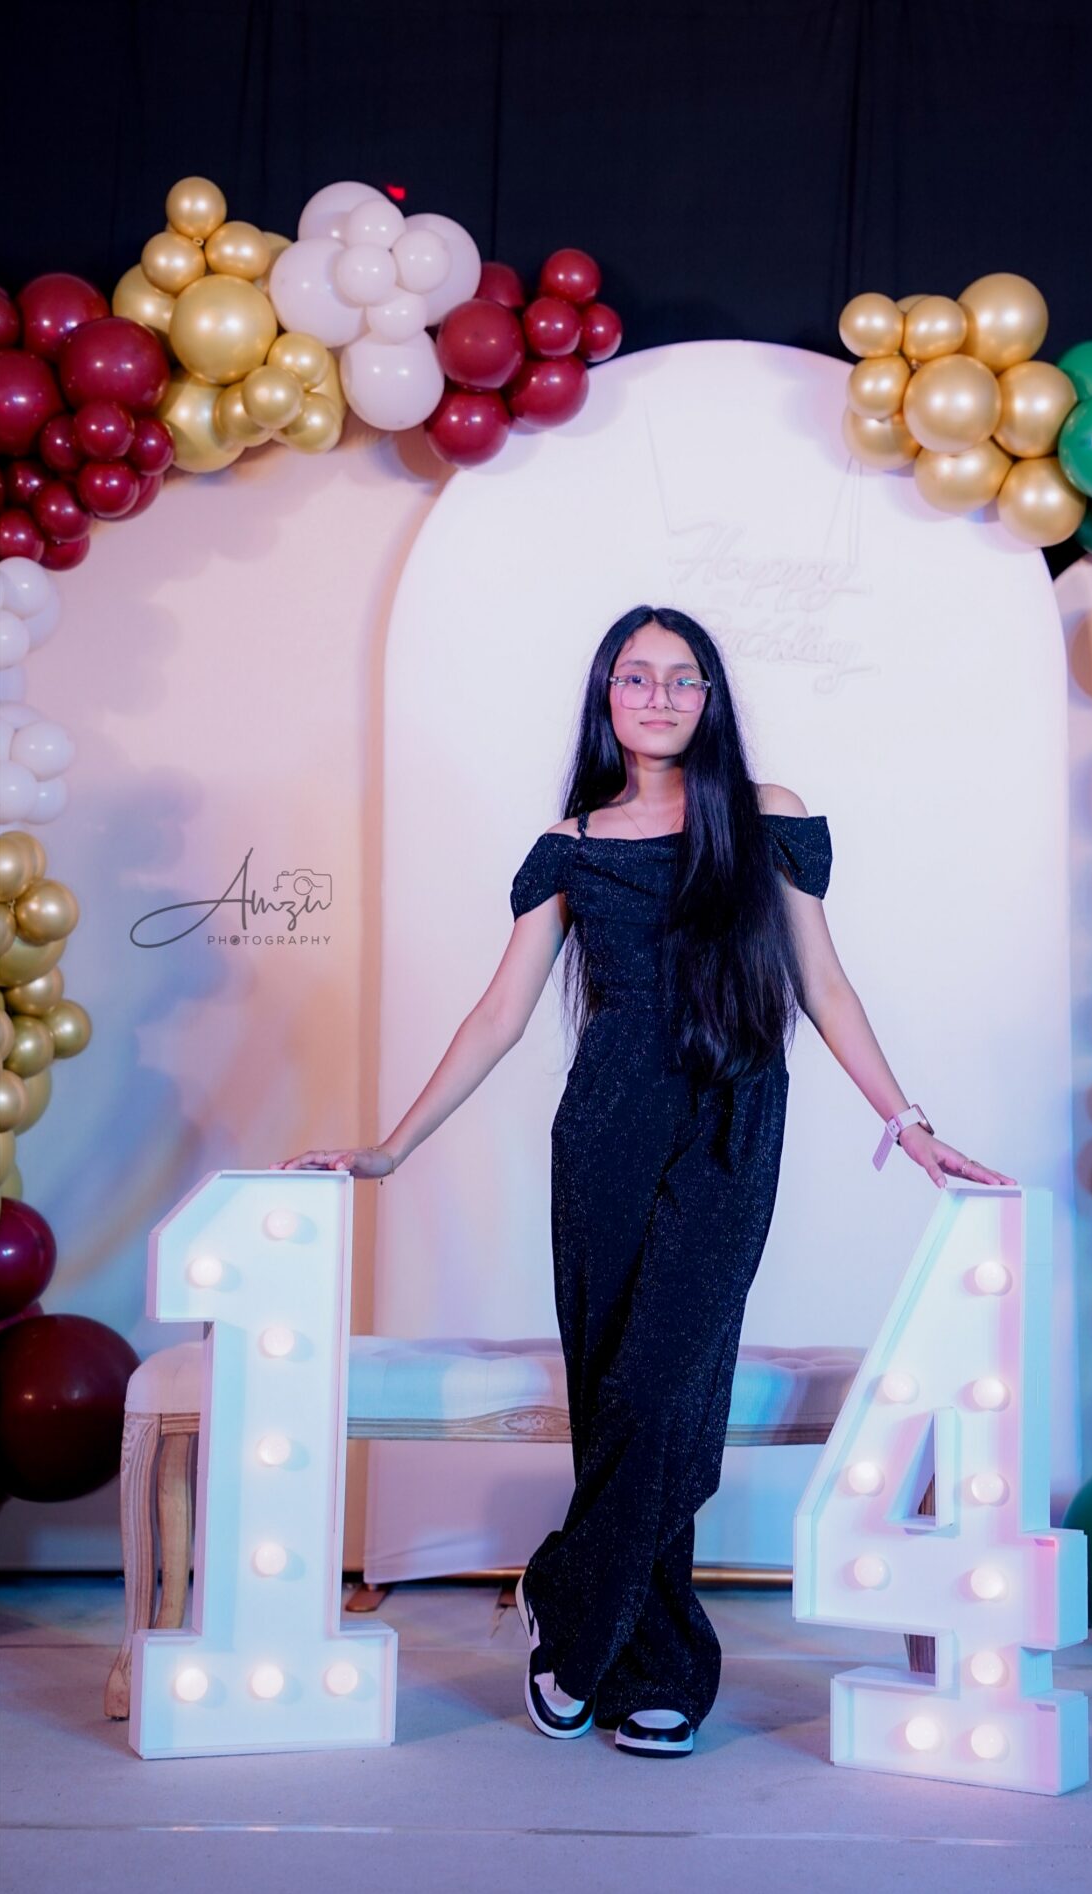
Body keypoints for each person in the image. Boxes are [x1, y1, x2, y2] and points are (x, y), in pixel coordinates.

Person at [272, 603, 1014, 1759]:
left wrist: (906, 1120)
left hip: (730, 1124)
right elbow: (499, 1013)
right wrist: (390, 1145)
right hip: (606, 1131)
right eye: (636, 677)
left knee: (665, 1392)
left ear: (710, 699)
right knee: (619, 1385)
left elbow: (824, 981)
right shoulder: (571, 842)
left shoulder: (765, 818)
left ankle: (565, 1597)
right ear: (605, 697)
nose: (659, 695)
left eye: (683, 678)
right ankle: (655, 1662)